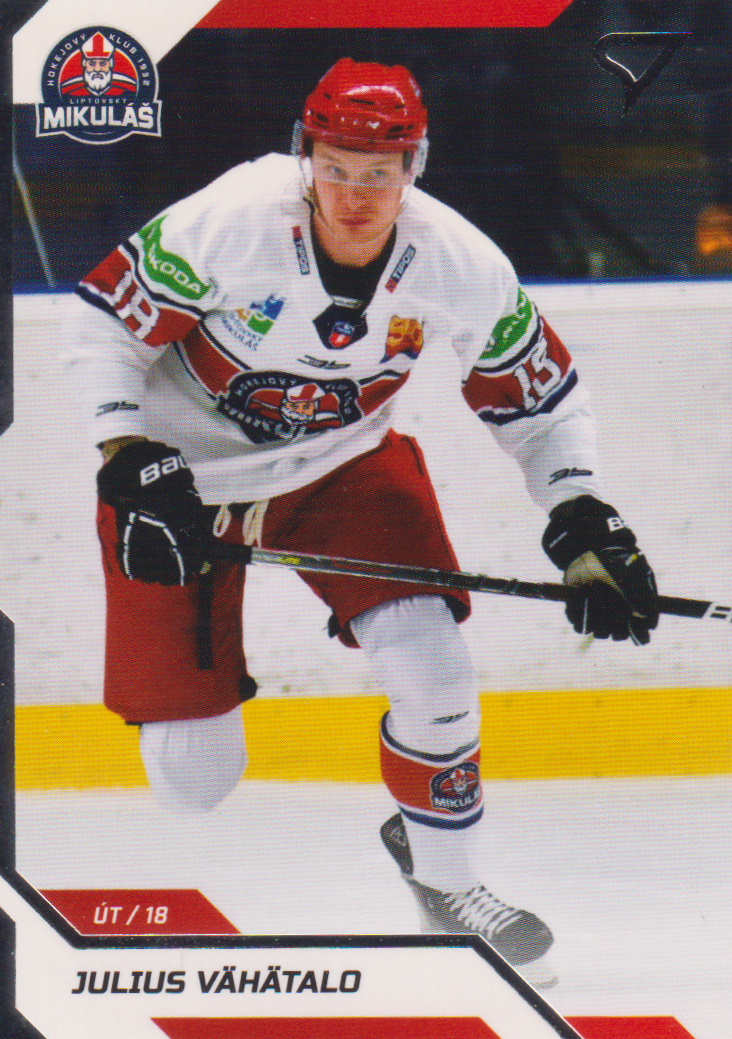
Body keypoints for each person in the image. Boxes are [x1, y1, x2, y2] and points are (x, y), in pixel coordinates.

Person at [64, 58, 659, 989]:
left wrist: (582, 514)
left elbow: (541, 400)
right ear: (305, 156)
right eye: (337, 168)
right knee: (192, 778)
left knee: (433, 660)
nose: (354, 195)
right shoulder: (232, 218)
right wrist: (125, 453)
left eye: (379, 173)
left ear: (415, 167)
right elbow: (105, 323)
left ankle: (447, 881)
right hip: (181, 483)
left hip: (340, 465)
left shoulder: (457, 262)